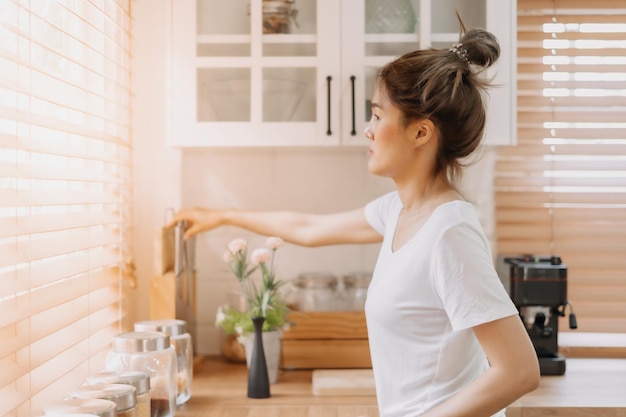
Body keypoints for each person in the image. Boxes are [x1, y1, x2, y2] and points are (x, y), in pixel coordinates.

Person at [169, 15, 540, 417]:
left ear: (421, 133)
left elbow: (518, 371)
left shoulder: (450, 232)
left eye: (378, 116)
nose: (367, 129)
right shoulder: (399, 210)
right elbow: (309, 228)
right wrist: (223, 214)